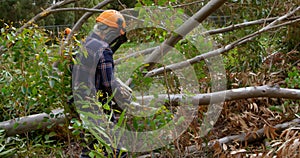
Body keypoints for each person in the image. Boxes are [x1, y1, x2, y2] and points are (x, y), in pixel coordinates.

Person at [72, 10, 131, 158]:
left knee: (93, 148)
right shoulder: (103, 50)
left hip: (80, 103)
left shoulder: (84, 43)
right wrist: (123, 97)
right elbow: (108, 83)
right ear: (111, 31)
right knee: (117, 150)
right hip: (96, 107)